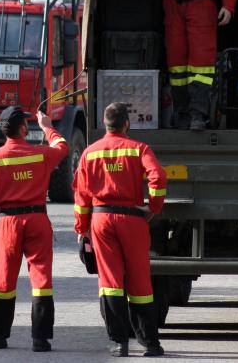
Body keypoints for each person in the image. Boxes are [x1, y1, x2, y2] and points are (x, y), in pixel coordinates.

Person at [98, 0, 238, 131]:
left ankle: (198, 115)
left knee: (201, 61)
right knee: (176, 59)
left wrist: (228, 6)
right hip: (174, 4)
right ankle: (181, 113)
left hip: (201, 4)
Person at [73, 102, 168, 357]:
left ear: (105, 124)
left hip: (101, 220)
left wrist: (82, 229)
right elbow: (158, 176)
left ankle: (119, 343)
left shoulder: (90, 153)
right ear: (127, 124)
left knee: (110, 283)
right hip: (133, 220)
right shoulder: (139, 149)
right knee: (140, 280)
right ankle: (150, 343)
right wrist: (154, 207)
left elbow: (81, 197)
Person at [0, 106, 69, 352]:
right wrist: (47, 126)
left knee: (3, 280)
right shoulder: (40, 155)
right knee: (41, 279)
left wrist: (5, 200)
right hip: (37, 219)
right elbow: (63, 147)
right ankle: (40, 339)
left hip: (9, 222)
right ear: (24, 128)